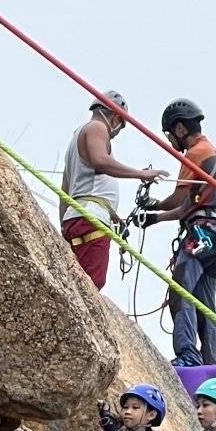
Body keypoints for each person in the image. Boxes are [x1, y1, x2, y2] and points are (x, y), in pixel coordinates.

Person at [145, 99, 216, 367]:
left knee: (181, 291)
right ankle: (209, 361)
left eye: (170, 134)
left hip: (200, 234)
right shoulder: (213, 152)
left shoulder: (194, 153)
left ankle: (188, 355)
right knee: (205, 302)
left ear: (180, 129)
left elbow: (178, 199)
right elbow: (188, 207)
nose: (171, 141)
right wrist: (155, 218)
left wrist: (156, 206)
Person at [59, 91, 166, 291]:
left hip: (78, 217)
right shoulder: (97, 127)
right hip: (90, 218)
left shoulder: (76, 138)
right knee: (91, 283)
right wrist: (140, 174)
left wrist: (64, 226)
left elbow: (65, 189)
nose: (116, 133)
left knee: (79, 283)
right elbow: (101, 161)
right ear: (115, 118)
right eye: (121, 127)